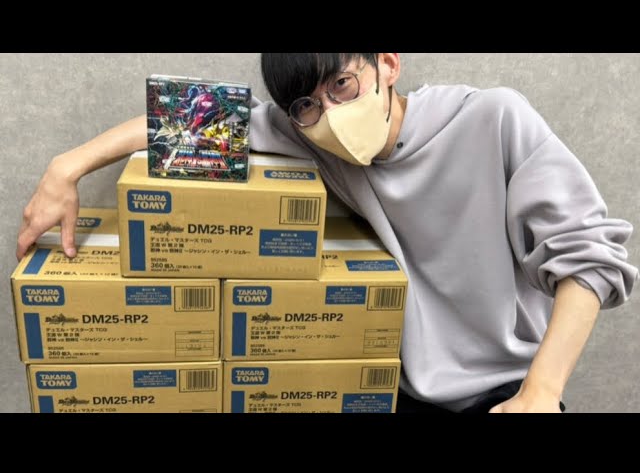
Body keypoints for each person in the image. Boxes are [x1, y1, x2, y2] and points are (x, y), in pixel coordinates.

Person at [17, 53, 638, 413]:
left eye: (341, 83)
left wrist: (541, 391)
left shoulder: (495, 117)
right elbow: (193, 119)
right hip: (399, 387)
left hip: (507, 386)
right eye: (308, 105)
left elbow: (591, 255)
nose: (331, 116)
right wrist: (66, 167)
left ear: (386, 63)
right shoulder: (312, 135)